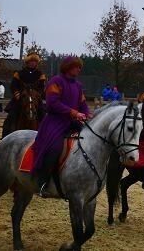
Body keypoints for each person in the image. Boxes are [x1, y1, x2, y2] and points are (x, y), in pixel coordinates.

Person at [32, 56, 91, 197]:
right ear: (68, 67)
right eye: (76, 66)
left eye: (80, 67)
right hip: (55, 121)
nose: (79, 69)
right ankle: (42, 181)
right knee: (54, 148)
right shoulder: (56, 81)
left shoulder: (78, 85)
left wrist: (88, 113)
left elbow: (82, 103)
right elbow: (52, 103)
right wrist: (73, 112)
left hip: (72, 122)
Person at [2, 53, 47, 138]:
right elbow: (14, 86)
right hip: (21, 98)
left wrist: (37, 95)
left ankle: (45, 137)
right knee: (11, 116)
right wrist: (18, 94)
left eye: (35, 61)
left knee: (43, 116)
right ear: (27, 62)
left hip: (35, 99)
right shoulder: (19, 73)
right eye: (31, 61)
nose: (33, 63)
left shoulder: (40, 74)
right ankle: (4, 137)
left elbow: (42, 87)